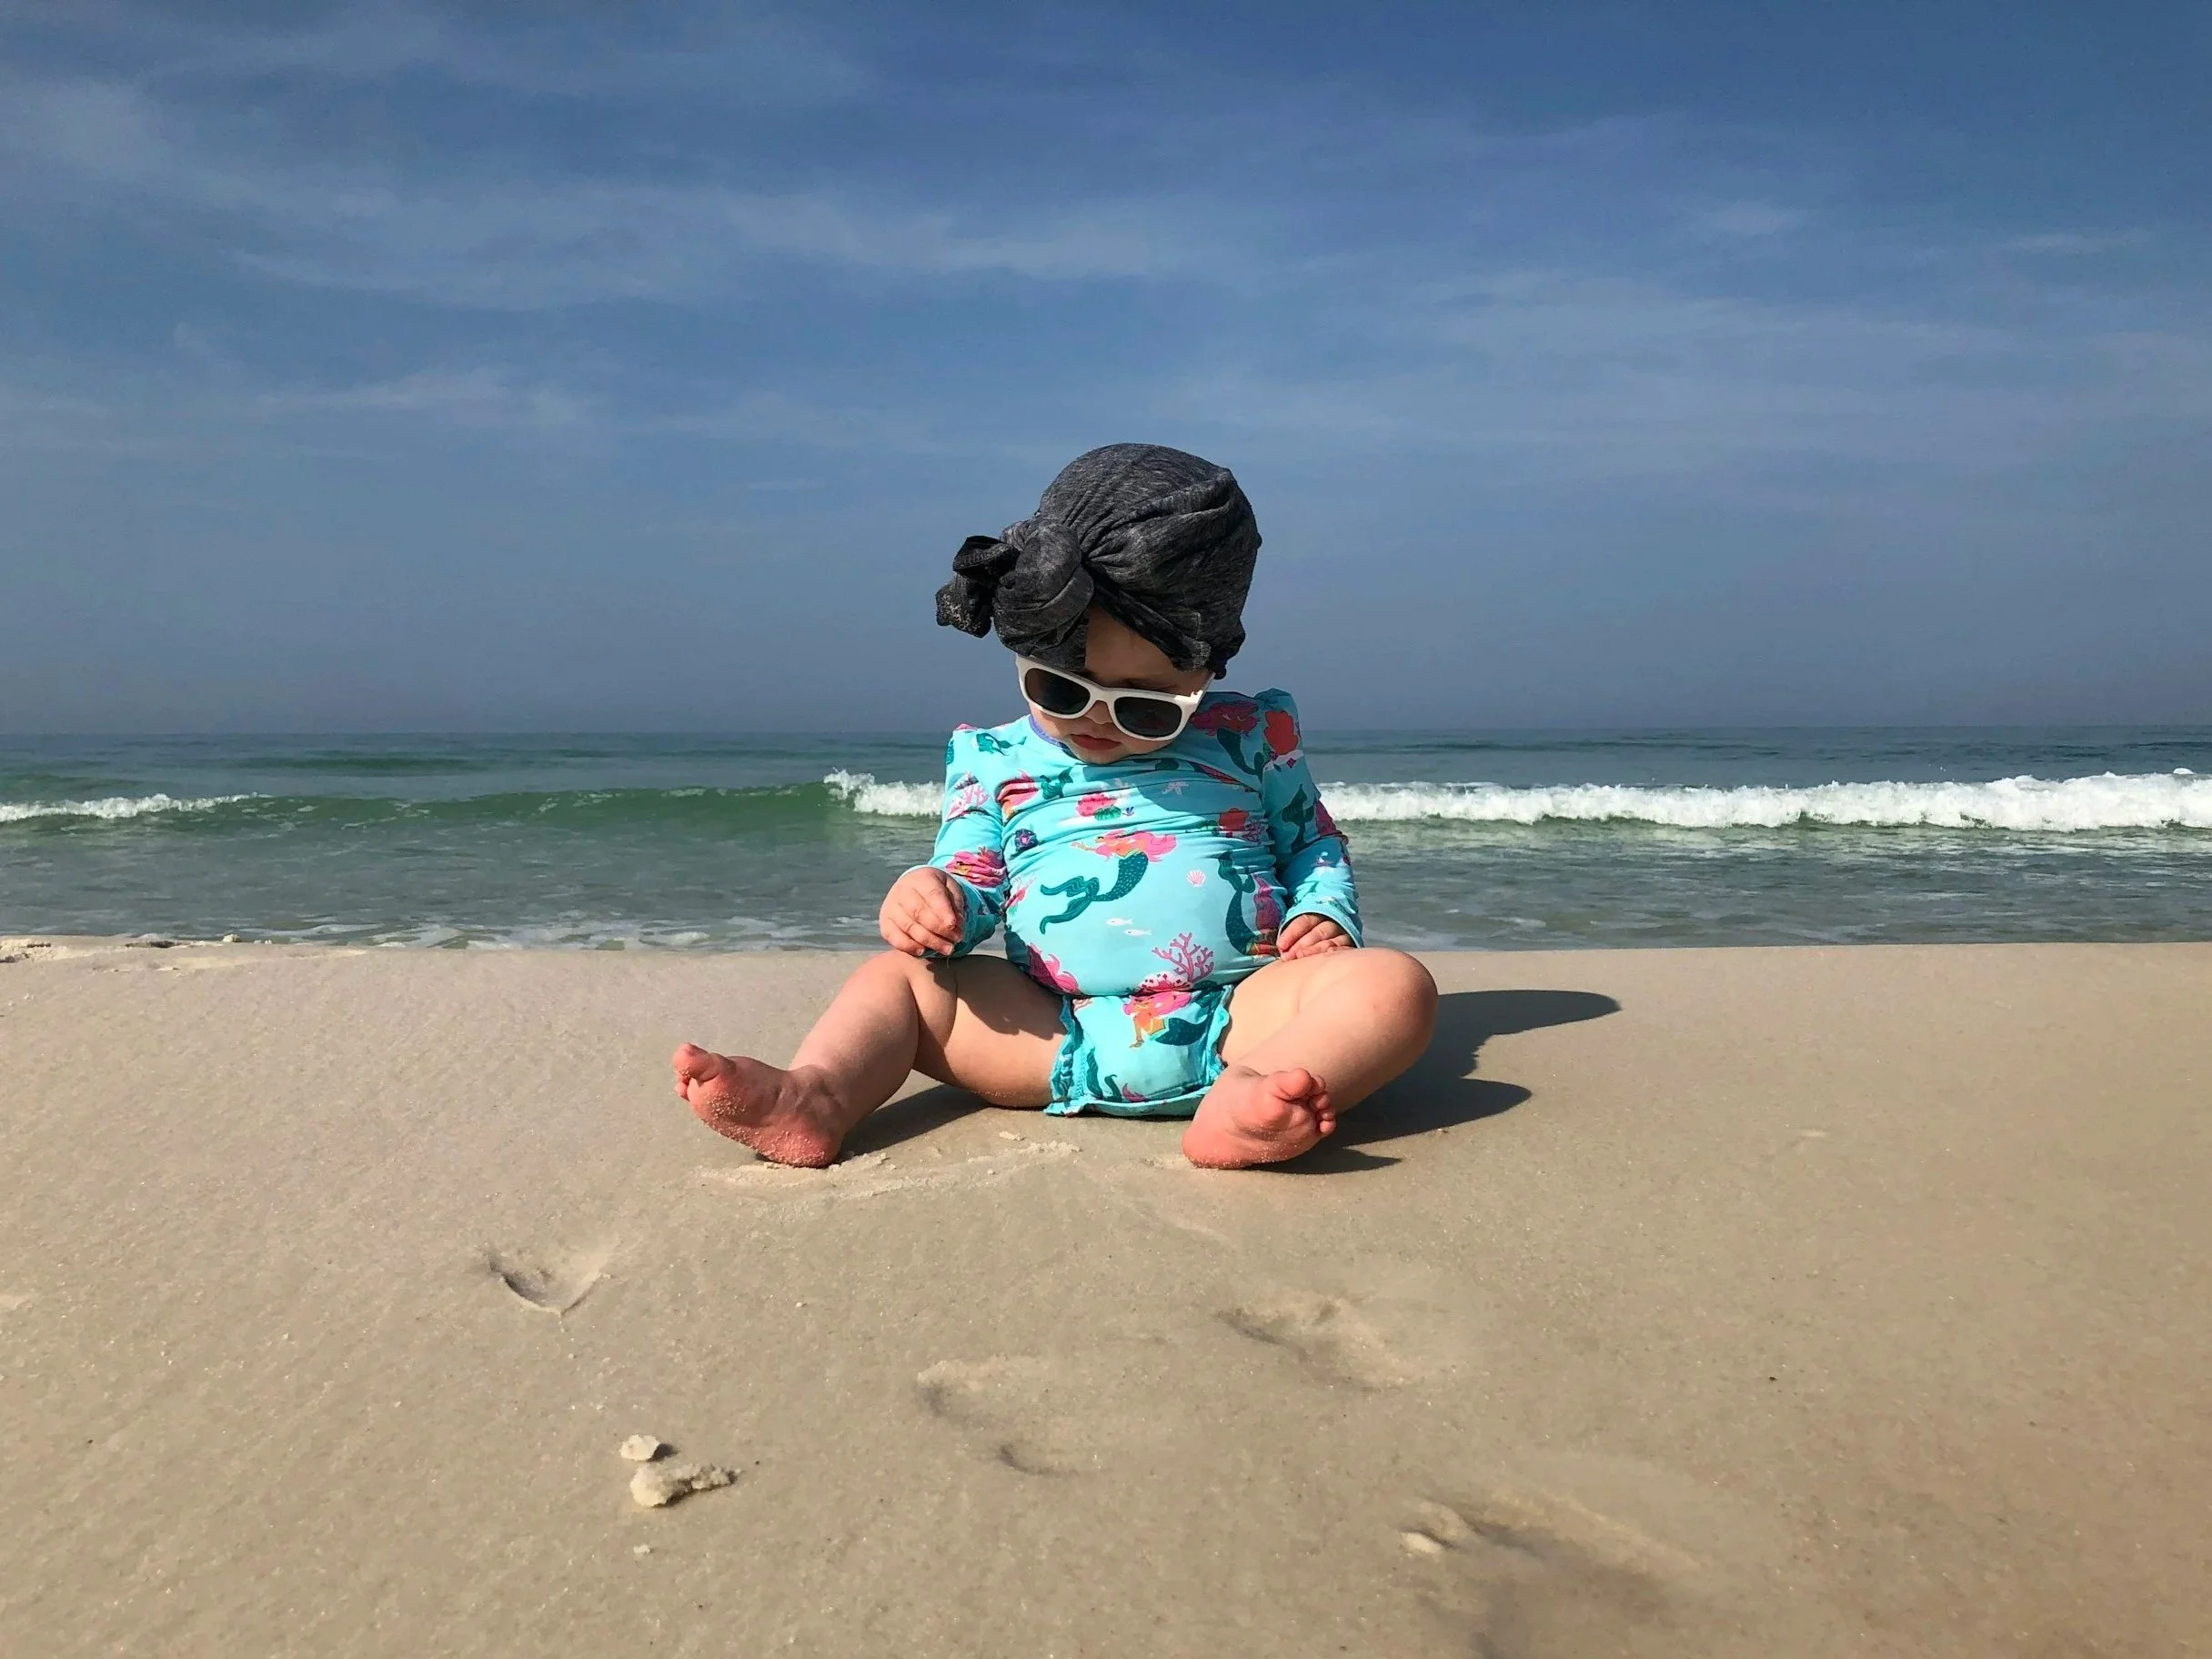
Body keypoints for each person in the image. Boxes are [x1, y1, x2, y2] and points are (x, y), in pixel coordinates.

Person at [673, 443, 1437, 1169]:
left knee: (1392, 986)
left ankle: (1252, 1102)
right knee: (895, 983)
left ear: (1202, 670)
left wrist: (1326, 915)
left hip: (1247, 1018)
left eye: (1146, 708)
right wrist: (935, 898)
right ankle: (819, 1095)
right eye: (1062, 690)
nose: (1098, 718)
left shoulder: (1252, 734)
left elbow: (1312, 843)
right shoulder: (992, 758)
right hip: (1047, 1031)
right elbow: (973, 876)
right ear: (1025, 648)